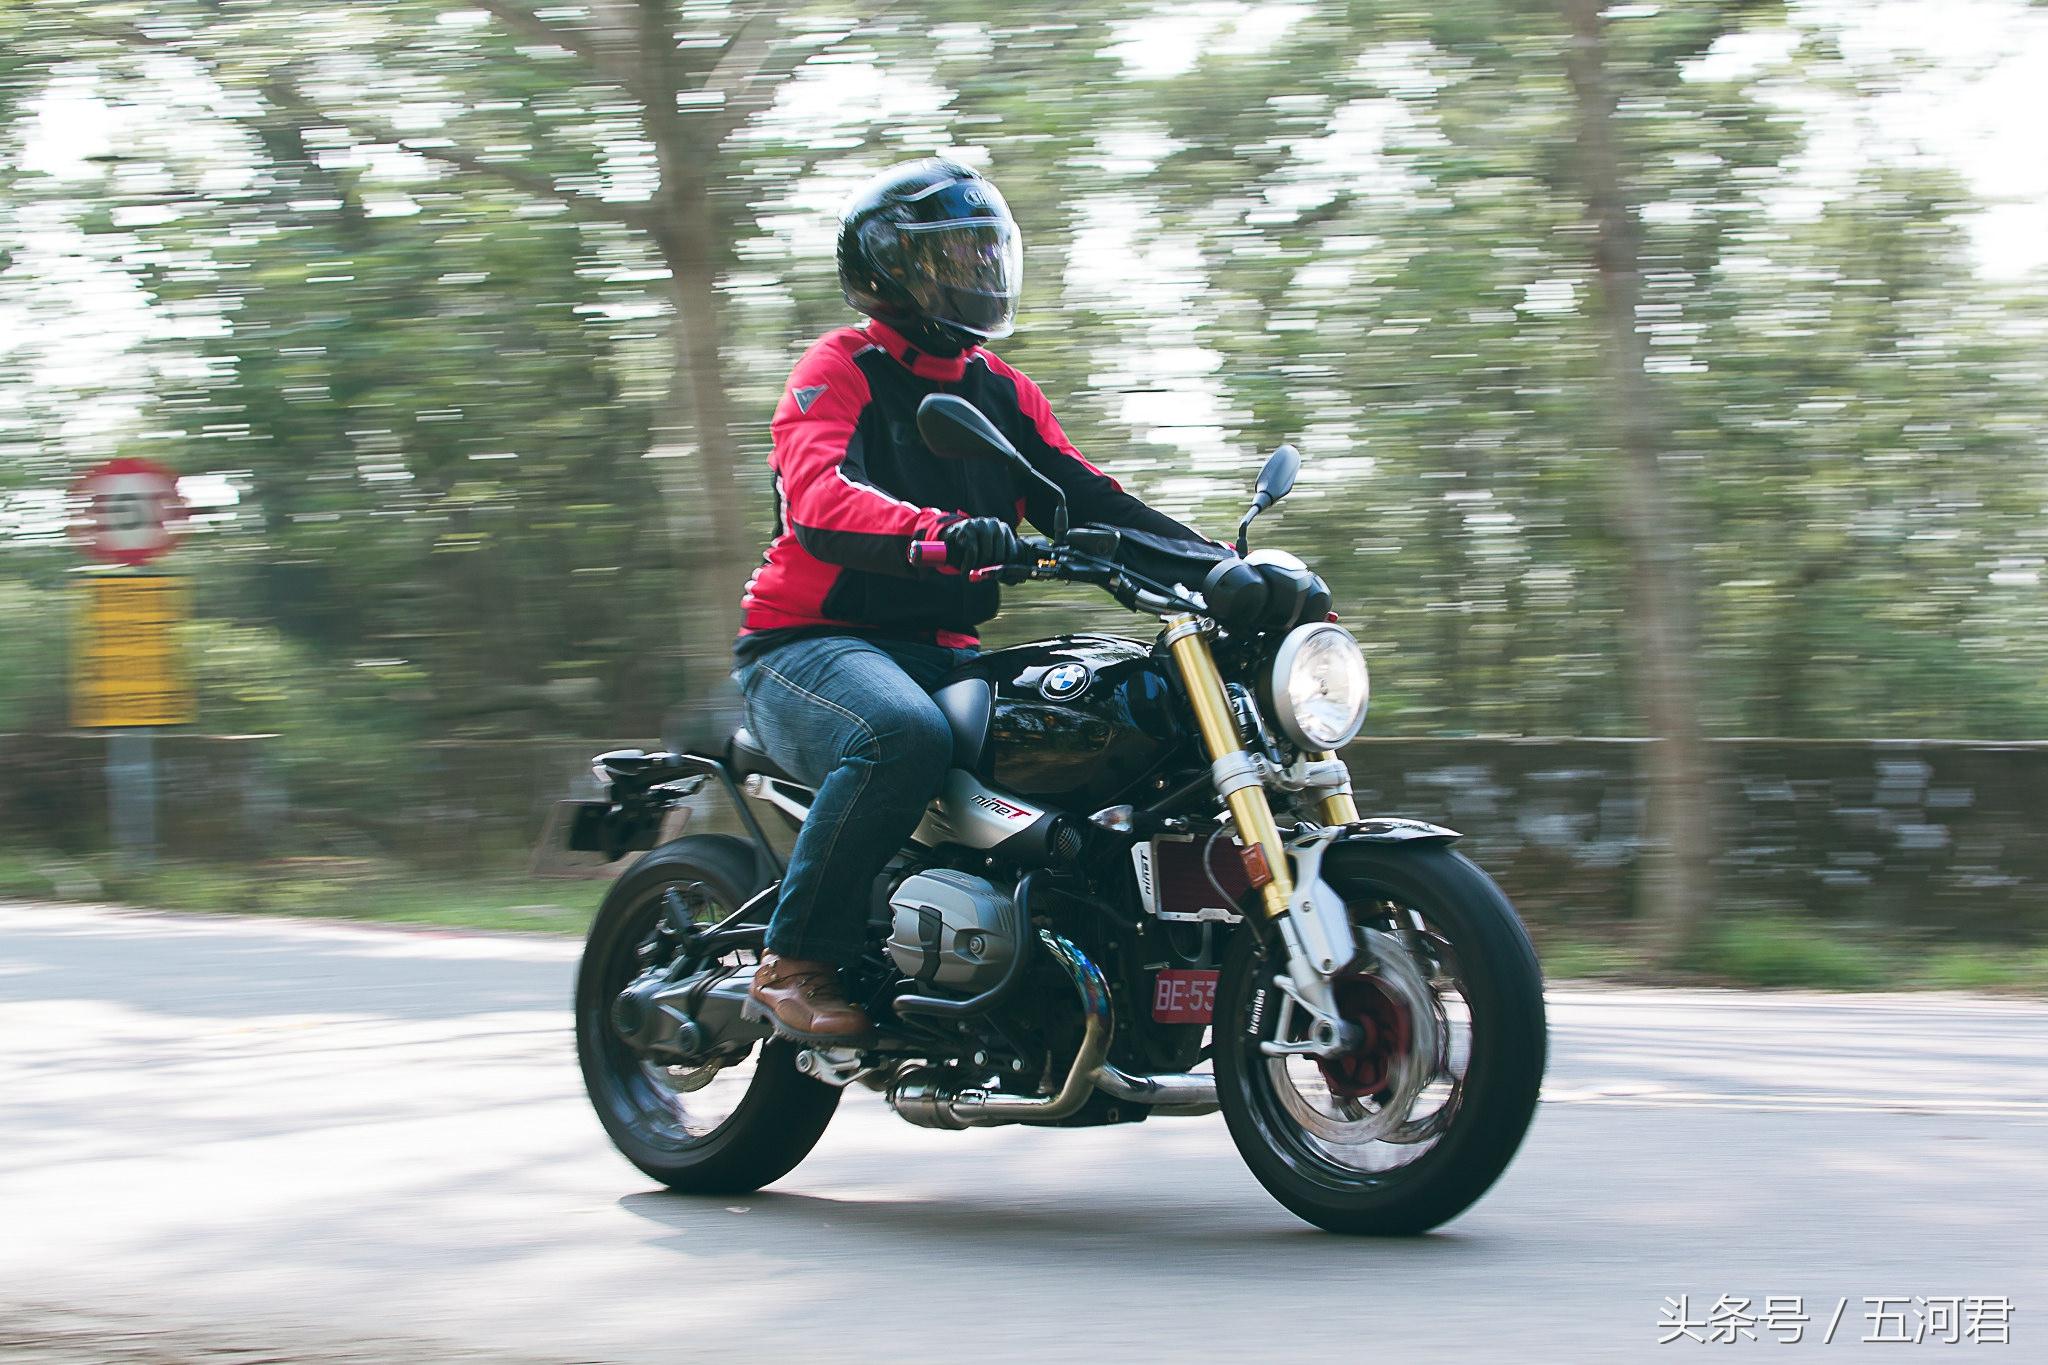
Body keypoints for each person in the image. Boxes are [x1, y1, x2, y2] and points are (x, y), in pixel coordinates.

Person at [738, 157, 1209, 1042]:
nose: (978, 275)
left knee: (1093, 731)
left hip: (942, 647)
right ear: (888, 269)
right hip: (810, 644)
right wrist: (937, 530)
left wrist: (1221, 568)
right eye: (953, 257)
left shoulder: (1003, 392)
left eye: (987, 255)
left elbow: (1091, 498)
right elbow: (818, 495)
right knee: (899, 735)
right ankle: (794, 957)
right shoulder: (842, 367)